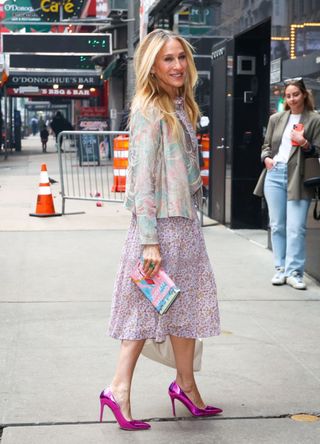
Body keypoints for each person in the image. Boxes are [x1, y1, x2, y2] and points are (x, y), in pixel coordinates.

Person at [100, 29, 221, 432]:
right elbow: (142, 182)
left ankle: (186, 386)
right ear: (152, 66)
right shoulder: (149, 109)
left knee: (183, 310)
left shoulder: (181, 106)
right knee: (144, 311)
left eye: (182, 58)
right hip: (159, 230)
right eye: (168, 59)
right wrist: (149, 242)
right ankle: (117, 389)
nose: (178, 66)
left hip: (185, 226)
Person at [254, 77, 320, 290]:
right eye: (288, 95)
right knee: (278, 225)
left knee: (296, 228)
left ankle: (294, 273)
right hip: (275, 173)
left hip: (298, 177)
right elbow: (266, 145)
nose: (292, 99)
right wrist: (266, 159)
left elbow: (317, 150)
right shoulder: (277, 119)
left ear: (304, 95)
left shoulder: (314, 119)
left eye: (296, 94)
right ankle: (280, 269)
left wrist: (305, 143)